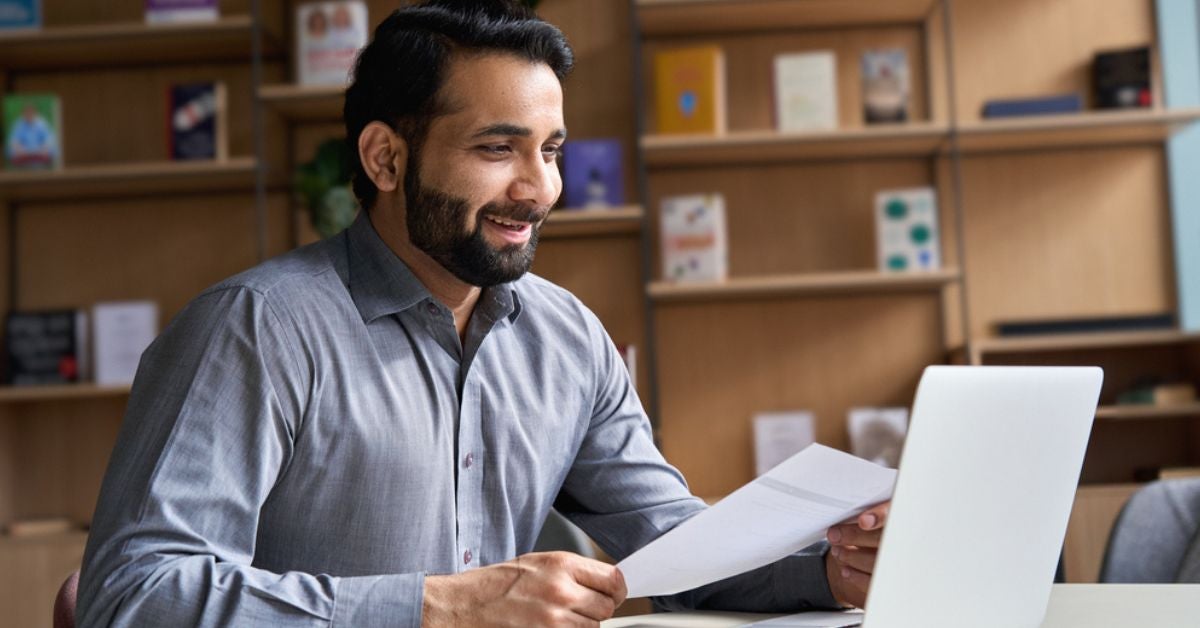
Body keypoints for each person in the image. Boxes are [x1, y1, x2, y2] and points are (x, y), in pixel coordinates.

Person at [77, 2, 889, 626]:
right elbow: (134, 594)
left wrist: (828, 571)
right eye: (498, 150)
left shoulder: (567, 339)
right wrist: (443, 607)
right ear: (385, 158)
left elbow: (677, 547)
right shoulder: (254, 329)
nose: (538, 190)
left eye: (552, 150)